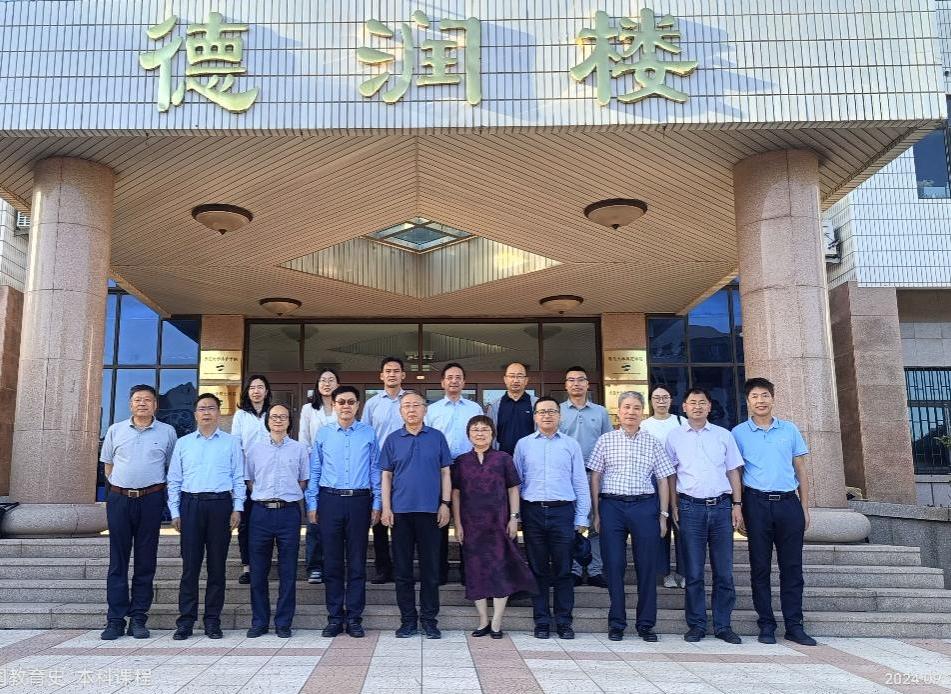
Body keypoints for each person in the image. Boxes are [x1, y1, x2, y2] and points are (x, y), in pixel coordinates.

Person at [732, 377, 817, 647]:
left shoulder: (789, 430)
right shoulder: (738, 433)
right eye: (755, 396)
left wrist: (804, 507)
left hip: (788, 503)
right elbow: (736, 472)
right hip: (755, 504)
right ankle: (766, 624)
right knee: (760, 568)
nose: (760, 400)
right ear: (748, 401)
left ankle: (794, 625)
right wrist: (739, 507)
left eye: (765, 395)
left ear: (773, 398)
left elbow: (800, 470)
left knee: (792, 568)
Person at [588, 391, 674, 642]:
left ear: (642, 412)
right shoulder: (606, 440)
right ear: (618, 411)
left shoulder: (652, 442)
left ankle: (646, 624)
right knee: (614, 565)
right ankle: (617, 622)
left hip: (644, 506)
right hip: (612, 506)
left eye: (636, 407)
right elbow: (595, 476)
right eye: (626, 407)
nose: (631, 412)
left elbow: (663, 479)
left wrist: (663, 515)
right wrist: (596, 512)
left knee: (647, 566)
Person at [666, 388, 744, 644]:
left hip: (721, 507)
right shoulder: (674, 437)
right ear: (684, 407)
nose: (697, 406)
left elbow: (733, 471)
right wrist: (674, 506)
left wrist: (737, 505)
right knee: (694, 572)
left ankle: (723, 625)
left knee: (724, 572)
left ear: (710, 407)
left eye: (702, 402)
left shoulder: (724, 435)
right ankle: (697, 625)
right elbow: (671, 475)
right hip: (690, 508)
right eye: (692, 402)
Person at [99, 385, 178, 640]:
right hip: (120, 499)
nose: (142, 403)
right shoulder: (115, 430)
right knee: (118, 560)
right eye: (137, 400)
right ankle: (115, 620)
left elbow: (171, 468)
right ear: (130, 404)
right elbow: (108, 467)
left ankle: (139, 618)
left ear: (155, 404)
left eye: (147, 400)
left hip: (151, 499)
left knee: (146, 561)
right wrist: (121, 489)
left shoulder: (167, 432)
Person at [167, 393, 244, 640]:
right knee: (190, 568)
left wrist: (237, 508)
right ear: (195, 414)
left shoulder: (231, 443)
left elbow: (238, 477)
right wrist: (175, 511)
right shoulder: (184, 443)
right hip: (191, 505)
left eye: (211, 408)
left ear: (219, 413)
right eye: (202, 408)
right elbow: (174, 480)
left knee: (217, 567)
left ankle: (212, 620)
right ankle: (186, 621)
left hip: (220, 505)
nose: (207, 412)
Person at [306, 385, 381, 638]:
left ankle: (355, 618)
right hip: (330, 500)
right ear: (334, 405)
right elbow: (315, 470)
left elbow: (374, 470)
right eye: (341, 402)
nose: (346, 406)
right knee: (332, 563)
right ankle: (335, 618)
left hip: (359, 501)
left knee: (357, 563)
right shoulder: (323, 433)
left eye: (351, 402)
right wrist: (312, 504)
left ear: (358, 405)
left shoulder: (368, 433)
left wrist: (377, 503)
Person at [452, 415, 536, 639]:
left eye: (485, 429)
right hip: (471, 525)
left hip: (499, 524)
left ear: (492, 434)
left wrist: (514, 518)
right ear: (468, 434)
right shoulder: (461, 461)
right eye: (475, 430)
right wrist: (457, 523)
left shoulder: (503, 458)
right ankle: (483, 621)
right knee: (475, 571)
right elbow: (456, 493)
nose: (480, 433)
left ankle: (497, 622)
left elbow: (513, 489)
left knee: (500, 571)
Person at [514, 396, 591, 640]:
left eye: (551, 411)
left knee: (563, 570)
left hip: (563, 512)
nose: (546, 415)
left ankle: (564, 622)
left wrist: (582, 518)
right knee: (537, 570)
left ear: (560, 416)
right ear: (535, 417)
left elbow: (580, 482)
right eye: (541, 412)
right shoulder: (523, 445)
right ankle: (542, 622)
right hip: (533, 512)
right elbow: (517, 482)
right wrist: (516, 515)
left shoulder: (571, 445)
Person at [380, 391, 452, 639]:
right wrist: (386, 507)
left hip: (431, 512)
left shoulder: (437, 437)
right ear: (400, 411)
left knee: (431, 570)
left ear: (425, 409)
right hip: (400, 513)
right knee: (403, 571)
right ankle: (408, 621)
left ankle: (430, 621)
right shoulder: (392, 439)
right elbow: (386, 476)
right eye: (406, 406)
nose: (411, 410)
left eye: (416, 405)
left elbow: (446, 472)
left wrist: (445, 504)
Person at [245, 403, 309, 639]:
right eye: (274, 416)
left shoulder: (299, 449)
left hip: (288, 512)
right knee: (258, 571)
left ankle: (283, 623)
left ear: (290, 421)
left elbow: (303, 480)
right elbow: (249, 480)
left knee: (288, 571)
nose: (278, 420)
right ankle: (259, 621)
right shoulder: (255, 449)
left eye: (283, 417)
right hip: (260, 513)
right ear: (267, 421)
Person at [425, 362, 482, 584]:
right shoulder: (433, 410)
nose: (454, 381)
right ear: (442, 383)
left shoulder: (474, 409)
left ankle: (469, 571)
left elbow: (483, 437)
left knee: (469, 519)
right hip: (440, 469)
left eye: (458, 377)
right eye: (449, 377)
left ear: (464, 382)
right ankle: (440, 570)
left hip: (469, 466)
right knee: (439, 518)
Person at [559, 366, 612, 589]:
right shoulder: (558, 411)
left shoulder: (600, 412)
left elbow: (609, 443)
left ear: (588, 384)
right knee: (571, 523)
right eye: (571, 380)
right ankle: (573, 569)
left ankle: (595, 570)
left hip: (594, 474)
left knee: (595, 523)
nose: (576, 384)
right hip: (566, 476)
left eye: (580, 380)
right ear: (565, 385)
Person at [362, 357, 407, 584]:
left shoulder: (409, 401)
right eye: (388, 371)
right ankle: (383, 568)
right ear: (381, 375)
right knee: (379, 519)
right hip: (379, 468)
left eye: (396, 371)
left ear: (403, 375)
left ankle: (402, 568)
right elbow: (365, 437)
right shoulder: (372, 404)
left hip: (405, 467)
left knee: (402, 520)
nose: (392, 374)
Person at [641, 385, 686, 589]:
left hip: (680, 480)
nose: (661, 401)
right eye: (656, 397)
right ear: (651, 401)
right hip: (654, 481)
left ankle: (684, 572)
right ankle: (665, 573)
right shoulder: (644, 425)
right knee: (661, 528)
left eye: (665, 397)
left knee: (682, 527)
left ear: (671, 400)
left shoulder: (681, 422)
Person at [299, 369, 340, 586]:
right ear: (317, 385)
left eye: (331, 380)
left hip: (338, 470)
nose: (326, 383)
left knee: (335, 520)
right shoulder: (308, 409)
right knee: (314, 519)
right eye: (323, 380)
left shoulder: (341, 406)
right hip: (315, 468)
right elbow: (303, 439)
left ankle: (333, 565)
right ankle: (314, 566)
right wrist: (307, 470)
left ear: (338, 385)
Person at [232, 375, 272, 585]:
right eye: (252, 387)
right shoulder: (240, 415)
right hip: (245, 478)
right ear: (247, 391)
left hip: (270, 476)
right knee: (246, 524)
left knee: (267, 523)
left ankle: (265, 565)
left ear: (267, 391)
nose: (256, 391)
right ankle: (247, 567)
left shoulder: (273, 413)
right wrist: (243, 478)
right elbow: (236, 447)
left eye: (260, 387)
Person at [487, 361, 537, 455]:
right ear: (505, 379)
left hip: (530, 457)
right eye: (512, 376)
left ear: (526, 380)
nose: (515, 380)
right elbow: (490, 434)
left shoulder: (536, 404)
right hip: (502, 458)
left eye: (520, 376)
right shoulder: (494, 406)